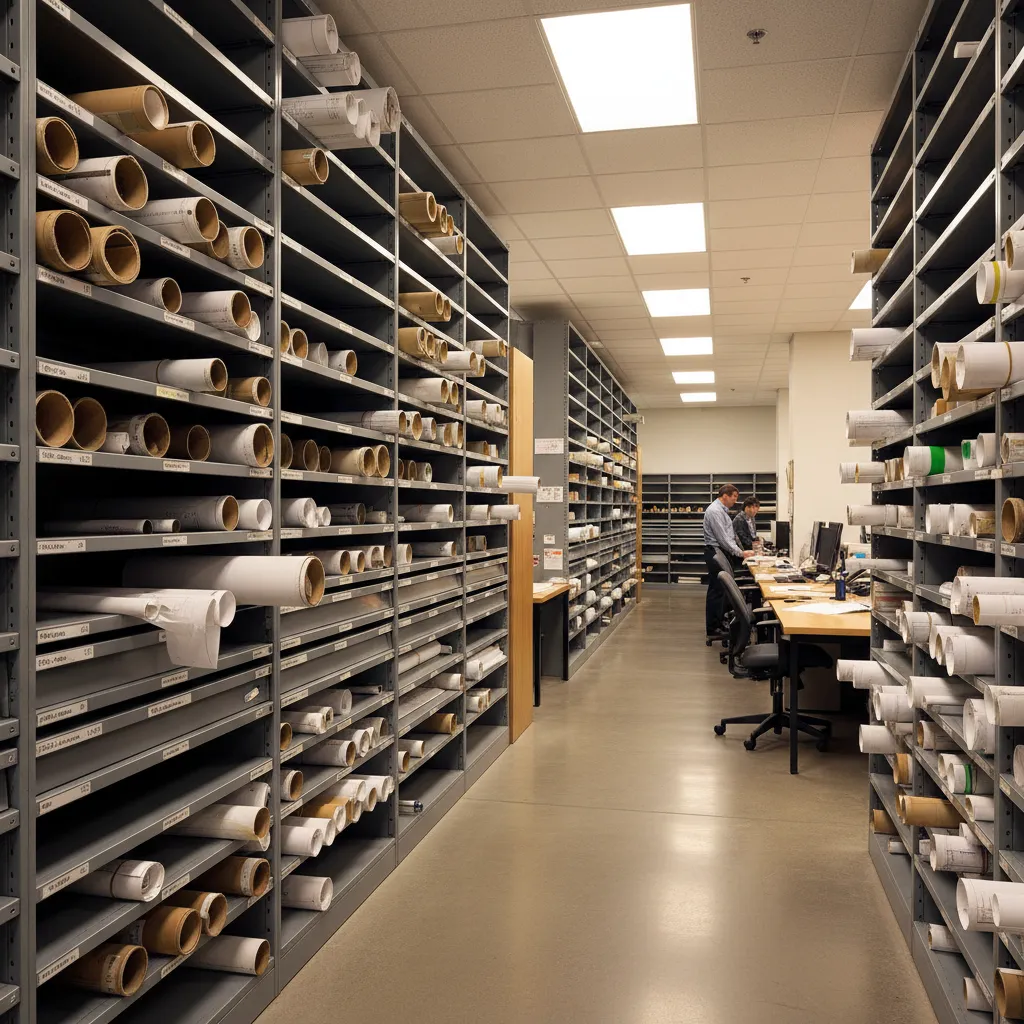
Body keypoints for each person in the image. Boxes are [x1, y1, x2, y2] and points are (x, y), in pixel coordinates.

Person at [703, 483, 754, 636]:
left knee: (721, 590)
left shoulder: (722, 511)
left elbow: (730, 536)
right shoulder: (715, 511)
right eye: (734, 497)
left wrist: (740, 551)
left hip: (720, 551)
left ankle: (719, 622)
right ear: (725, 496)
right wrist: (740, 553)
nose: (735, 501)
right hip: (715, 552)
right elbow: (723, 539)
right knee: (717, 591)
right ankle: (713, 628)